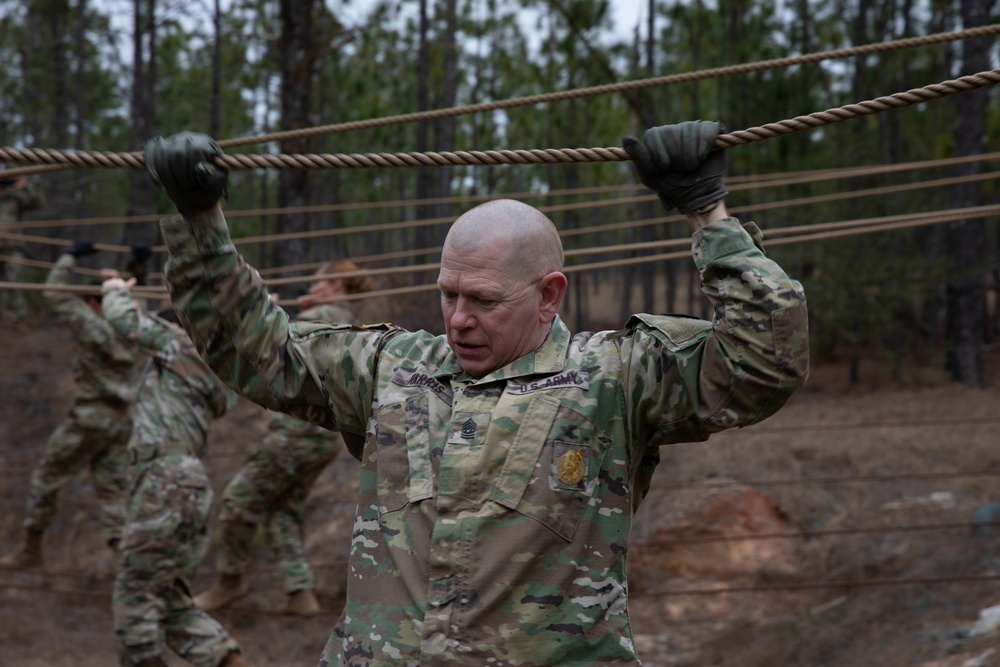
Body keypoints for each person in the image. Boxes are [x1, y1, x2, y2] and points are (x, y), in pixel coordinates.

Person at [145, 121, 810, 666]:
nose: (458, 317)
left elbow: (762, 365)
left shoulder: (613, 378)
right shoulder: (392, 368)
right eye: (448, 293)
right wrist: (199, 220)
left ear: (550, 294)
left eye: (483, 300)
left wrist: (708, 216)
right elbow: (258, 353)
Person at [194, 262, 375, 616]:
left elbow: (270, 344)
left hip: (297, 437)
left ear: (336, 284)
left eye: (319, 282)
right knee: (283, 509)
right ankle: (299, 592)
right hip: (322, 439)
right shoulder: (347, 320)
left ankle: (230, 581)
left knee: (237, 501)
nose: (313, 288)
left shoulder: (322, 314)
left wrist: (267, 309)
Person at [100, 271, 252, 667]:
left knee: (135, 600)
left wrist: (116, 291)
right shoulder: (214, 369)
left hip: (163, 482)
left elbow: (125, 323)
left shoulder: (181, 346)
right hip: (186, 485)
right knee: (169, 602)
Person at [0, 241, 137, 570]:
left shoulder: (93, 325)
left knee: (47, 476)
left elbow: (55, 292)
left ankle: (31, 547)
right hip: (122, 420)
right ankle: (122, 559)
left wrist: (69, 257)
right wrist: (136, 265)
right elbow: (130, 296)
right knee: (112, 488)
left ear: (93, 303)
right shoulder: (131, 324)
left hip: (91, 418)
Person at [0, 164, 45, 327]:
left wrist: (23, 185)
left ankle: (17, 321)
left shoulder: (14, 196)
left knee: (15, 283)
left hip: (12, 248)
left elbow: (37, 203)